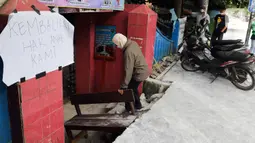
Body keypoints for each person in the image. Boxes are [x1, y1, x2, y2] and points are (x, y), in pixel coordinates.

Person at [112, 33, 149, 111]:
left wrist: (123, 86)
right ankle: (138, 105)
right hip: (143, 70)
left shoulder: (128, 52)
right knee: (133, 88)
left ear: (120, 42)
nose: (117, 46)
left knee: (128, 90)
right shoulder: (132, 43)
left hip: (139, 73)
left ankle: (129, 109)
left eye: (117, 44)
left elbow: (128, 70)